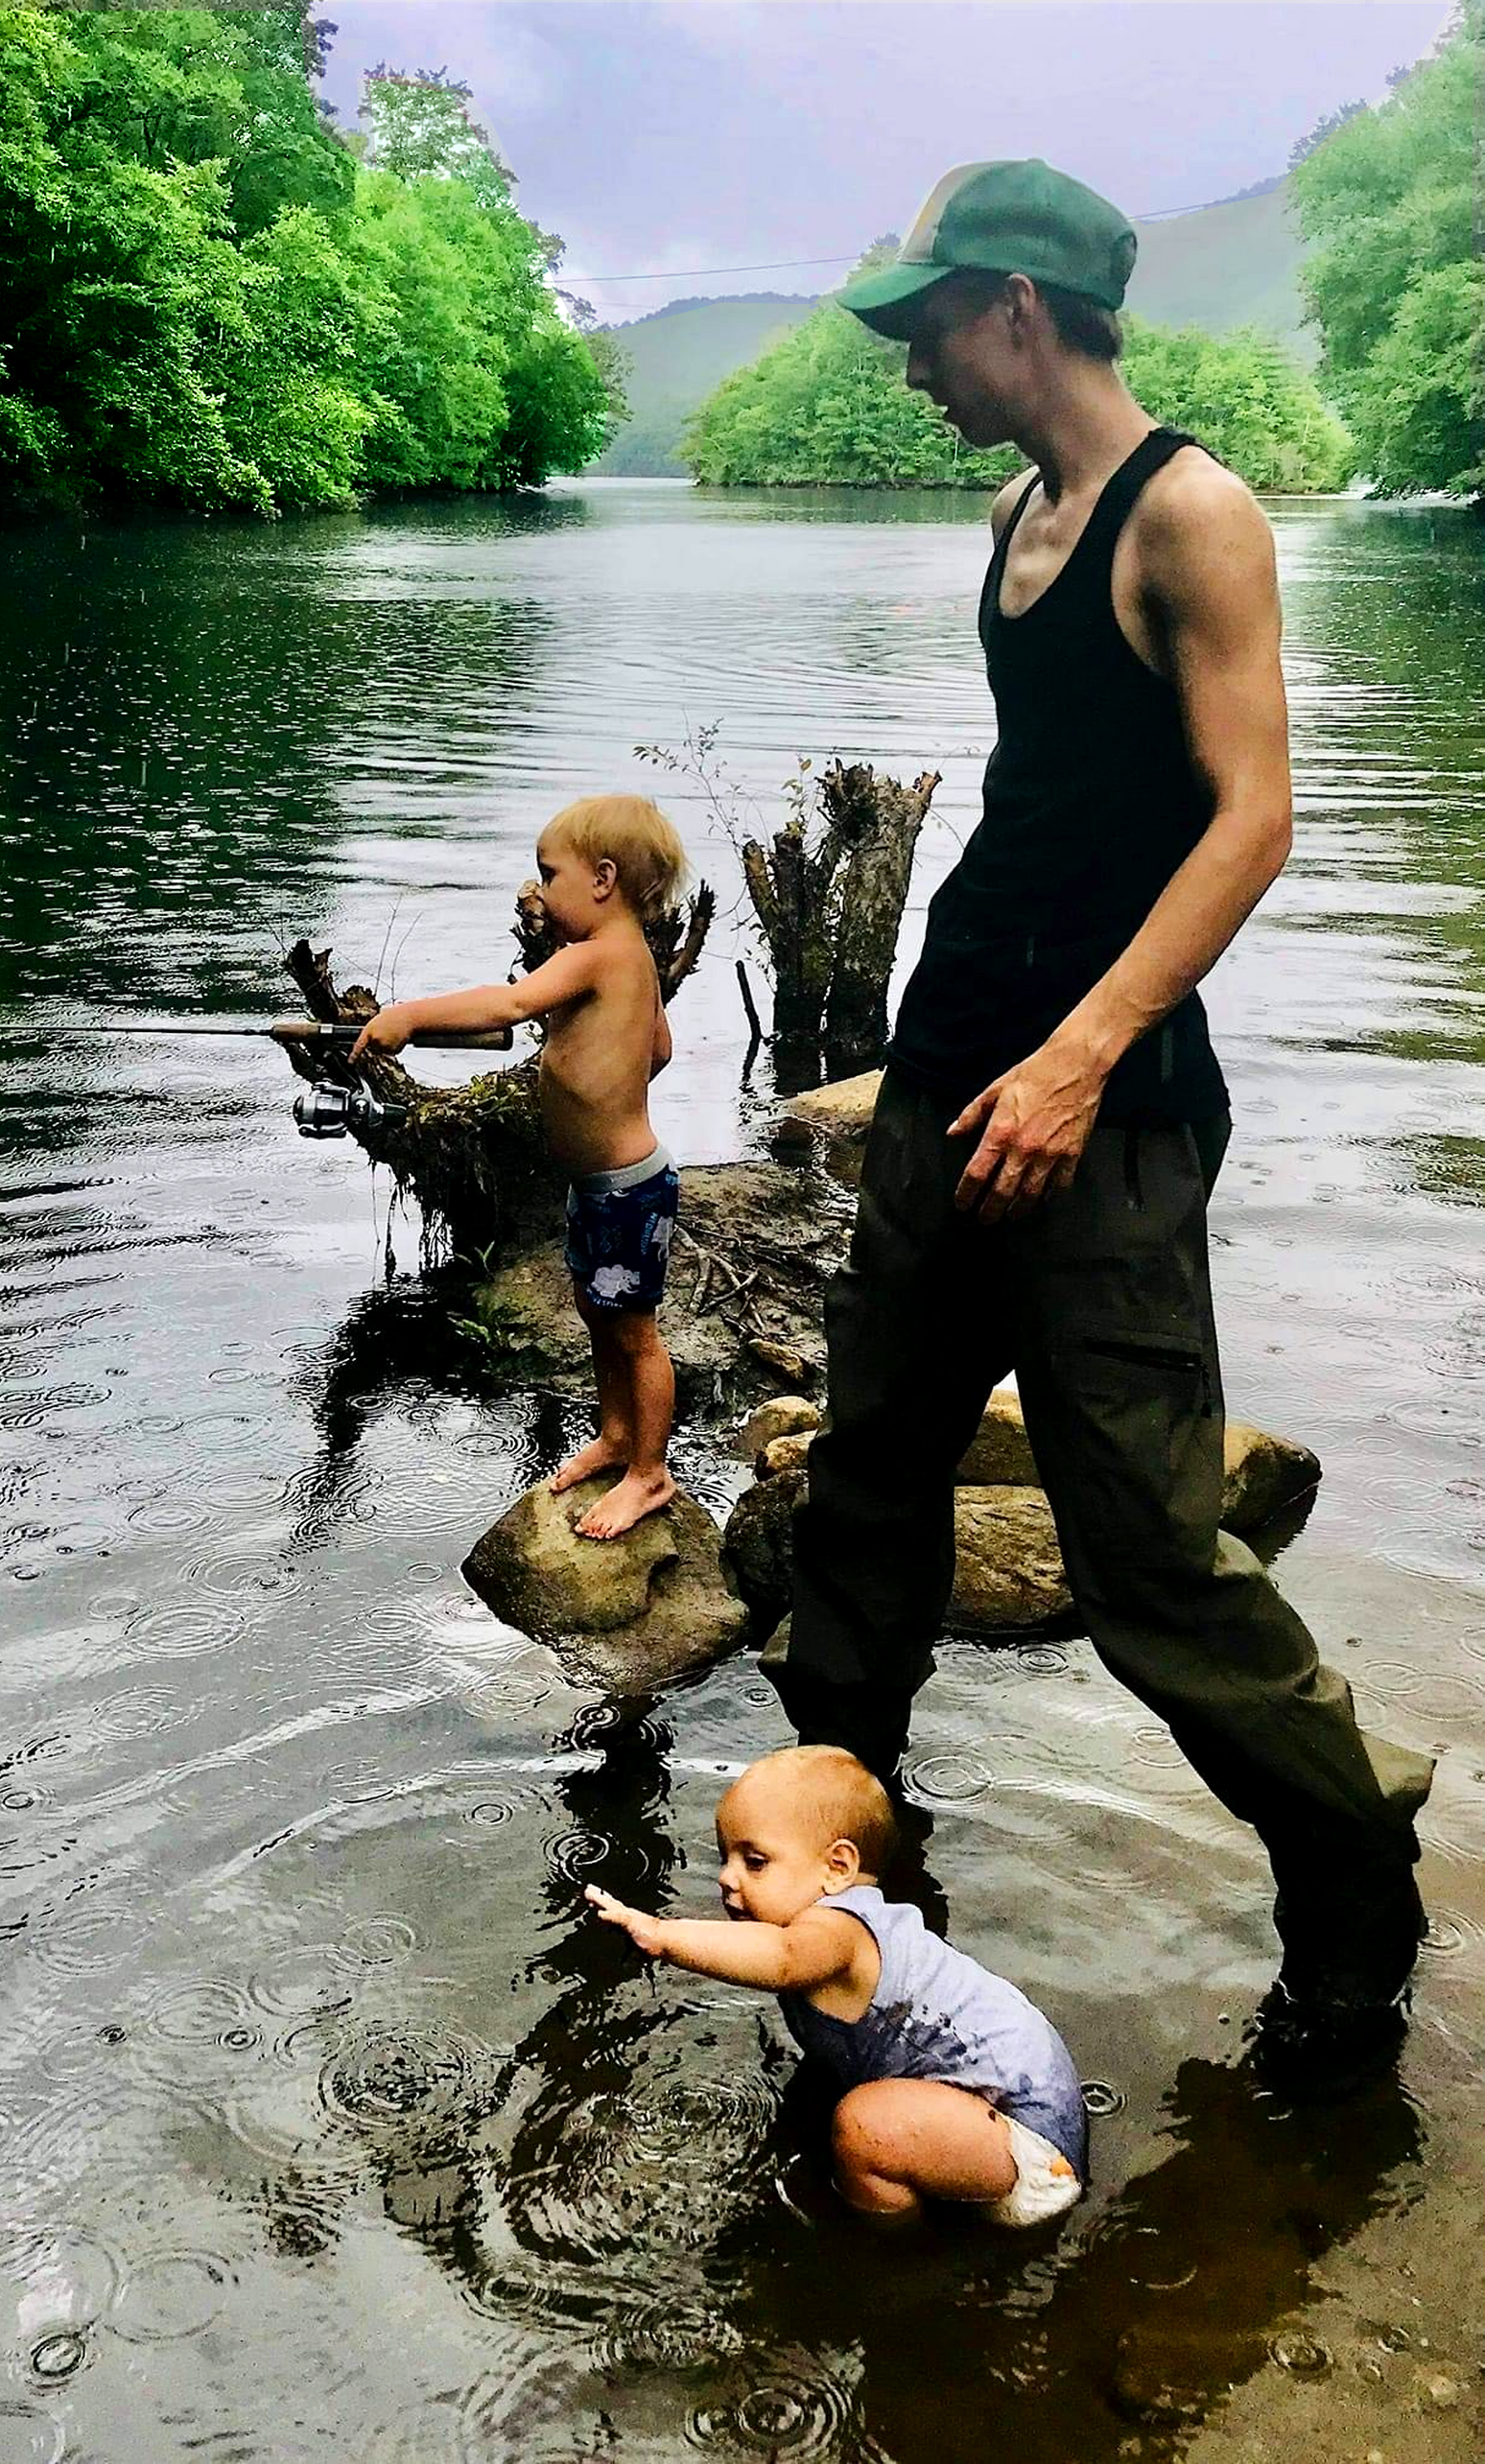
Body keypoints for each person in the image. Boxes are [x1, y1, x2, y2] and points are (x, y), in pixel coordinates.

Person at [765, 157, 1435, 2100]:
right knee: (869, 1490)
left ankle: (1358, 1886)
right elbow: (1049, 800)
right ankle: (847, 1879)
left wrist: (1078, 1058)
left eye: (924, 333)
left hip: (1106, 1121)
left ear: (1020, 312)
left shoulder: (1194, 515)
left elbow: (1252, 817)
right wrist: (947, 1060)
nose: (910, 372)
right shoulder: (1016, 508)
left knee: (1149, 1563)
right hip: (945, 1084)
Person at [353, 793, 687, 1539]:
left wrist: (409, 1016)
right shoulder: (633, 957)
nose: (537, 892)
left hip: (629, 1188)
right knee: (598, 1311)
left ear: (602, 878)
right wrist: (597, 1076)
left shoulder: (595, 953)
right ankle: (616, 1434)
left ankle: (649, 1472)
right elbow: (658, 1049)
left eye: (548, 874)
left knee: (635, 1332)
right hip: (601, 1184)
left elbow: (505, 1006)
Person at [586, 1745, 1088, 2225]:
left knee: (863, 2127)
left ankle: (893, 2250)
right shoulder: (849, 1925)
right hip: (997, 2115)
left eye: (754, 1861)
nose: (725, 1878)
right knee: (848, 2101)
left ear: (837, 1867)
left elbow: (780, 1960)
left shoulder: (839, 1933)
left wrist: (663, 1935)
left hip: (1031, 2151)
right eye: (725, 1858)